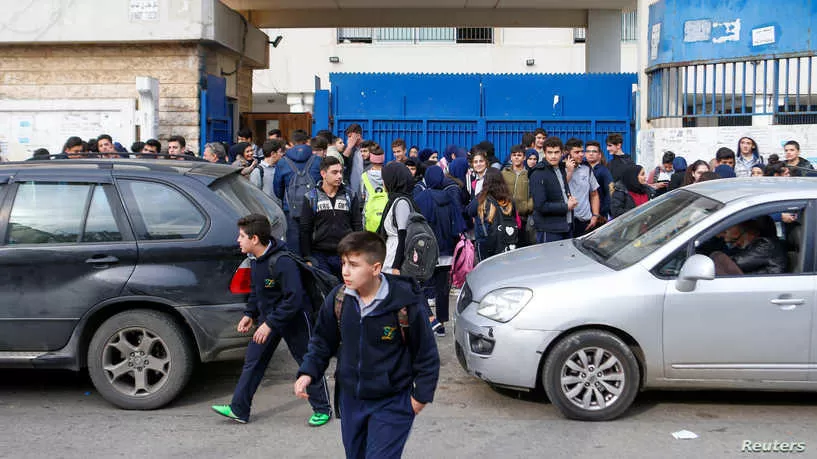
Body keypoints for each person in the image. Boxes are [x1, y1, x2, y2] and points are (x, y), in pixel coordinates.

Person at [294, 231, 440, 459]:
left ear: (375, 268)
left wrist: (419, 398)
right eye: (343, 263)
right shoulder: (339, 299)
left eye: (353, 264)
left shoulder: (404, 304)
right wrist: (308, 372)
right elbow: (322, 341)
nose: (345, 271)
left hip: (392, 402)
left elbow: (426, 354)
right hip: (352, 400)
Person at [212, 214, 331, 426]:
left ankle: (322, 408)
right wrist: (250, 314)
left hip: (294, 319)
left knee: (307, 361)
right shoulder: (256, 260)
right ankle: (239, 409)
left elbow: (294, 299)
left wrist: (269, 324)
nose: (238, 240)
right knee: (253, 361)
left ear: (255, 239)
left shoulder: (283, 262)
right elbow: (258, 291)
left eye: (241, 236)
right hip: (270, 320)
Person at [415, 165, 466, 336]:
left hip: (427, 251)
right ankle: (442, 323)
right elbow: (458, 226)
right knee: (442, 289)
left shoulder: (421, 198)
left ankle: (430, 320)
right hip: (447, 252)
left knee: (418, 286)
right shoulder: (449, 198)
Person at [300, 156, 362, 280]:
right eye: (334, 172)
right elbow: (305, 230)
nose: (339, 176)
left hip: (345, 254)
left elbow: (357, 226)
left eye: (341, 172)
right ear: (323, 173)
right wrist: (307, 257)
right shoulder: (311, 197)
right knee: (327, 292)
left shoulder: (350, 195)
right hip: (320, 255)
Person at [273, 133, 322, 256]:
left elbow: (278, 190)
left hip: (290, 209)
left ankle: (296, 269)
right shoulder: (317, 160)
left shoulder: (282, 162)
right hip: (315, 209)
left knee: (294, 246)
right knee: (313, 244)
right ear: (307, 142)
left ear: (291, 143)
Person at [529, 137, 577, 243]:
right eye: (550, 152)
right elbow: (540, 206)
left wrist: (570, 200)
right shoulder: (538, 173)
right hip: (549, 229)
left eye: (556, 152)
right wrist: (566, 206)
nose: (553, 156)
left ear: (562, 153)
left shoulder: (561, 168)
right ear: (544, 153)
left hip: (566, 225)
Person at [468, 168, 520, 261]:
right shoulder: (509, 199)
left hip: (486, 242)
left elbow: (469, 211)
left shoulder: (481, 198)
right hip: (506, 241)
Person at [709, 218, 788, 276]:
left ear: (750, 233)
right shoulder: (755, 244)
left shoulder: (766, 245)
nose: (735, 245)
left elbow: (737, 262)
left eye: (735, 240)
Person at [564, 138, 601, 238]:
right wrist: (569, 171)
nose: (581, 154)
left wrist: (595, 215)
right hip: (566, 221)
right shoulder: (560, 169)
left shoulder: (586, 169)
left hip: (584, 221)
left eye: (582, 151)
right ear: (567, 153)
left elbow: (594, 194)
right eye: (577, 152)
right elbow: (560, 188)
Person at [502, 145, 534, 245]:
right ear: (511, 157)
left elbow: (534, 194)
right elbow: (499, 191)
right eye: (514, 155)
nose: (516, 157)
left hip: (523, 217)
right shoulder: (504, 173)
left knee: (522, 244)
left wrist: (527, 207)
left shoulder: (529, 174)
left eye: (519, 155)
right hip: (506, 216)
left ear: (524, 157)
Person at [360, 144, 387, 232]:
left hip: (370, 213)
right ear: (383, 159)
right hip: (386, 213)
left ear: (371, 159)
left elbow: (362, 196)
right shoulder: (389, 174)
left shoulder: (364, 176)